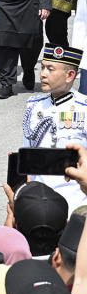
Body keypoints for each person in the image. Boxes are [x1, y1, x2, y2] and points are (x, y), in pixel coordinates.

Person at [21, 44, 87, 213]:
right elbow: (28, 153)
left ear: (70, 75)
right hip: (38, 199)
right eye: (42, 67)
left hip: (74, 200)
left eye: (50, 69)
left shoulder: (83, 108)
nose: (43, 74)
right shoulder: (34, 105)